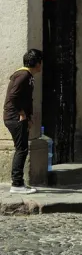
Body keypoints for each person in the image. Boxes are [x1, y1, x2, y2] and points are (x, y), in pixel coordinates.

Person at [3, 49, 43, 194]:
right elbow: (13, 96)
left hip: (17, 117)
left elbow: (26, 98)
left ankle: (18, 182)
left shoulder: (27, 75)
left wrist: (29, 117)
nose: (41, 66)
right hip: (15, 117)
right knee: (21, 149)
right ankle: (17, 184)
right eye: (40, 62)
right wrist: (21, 114)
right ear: (37, 63)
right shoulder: (23, 75)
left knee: (22, 149)